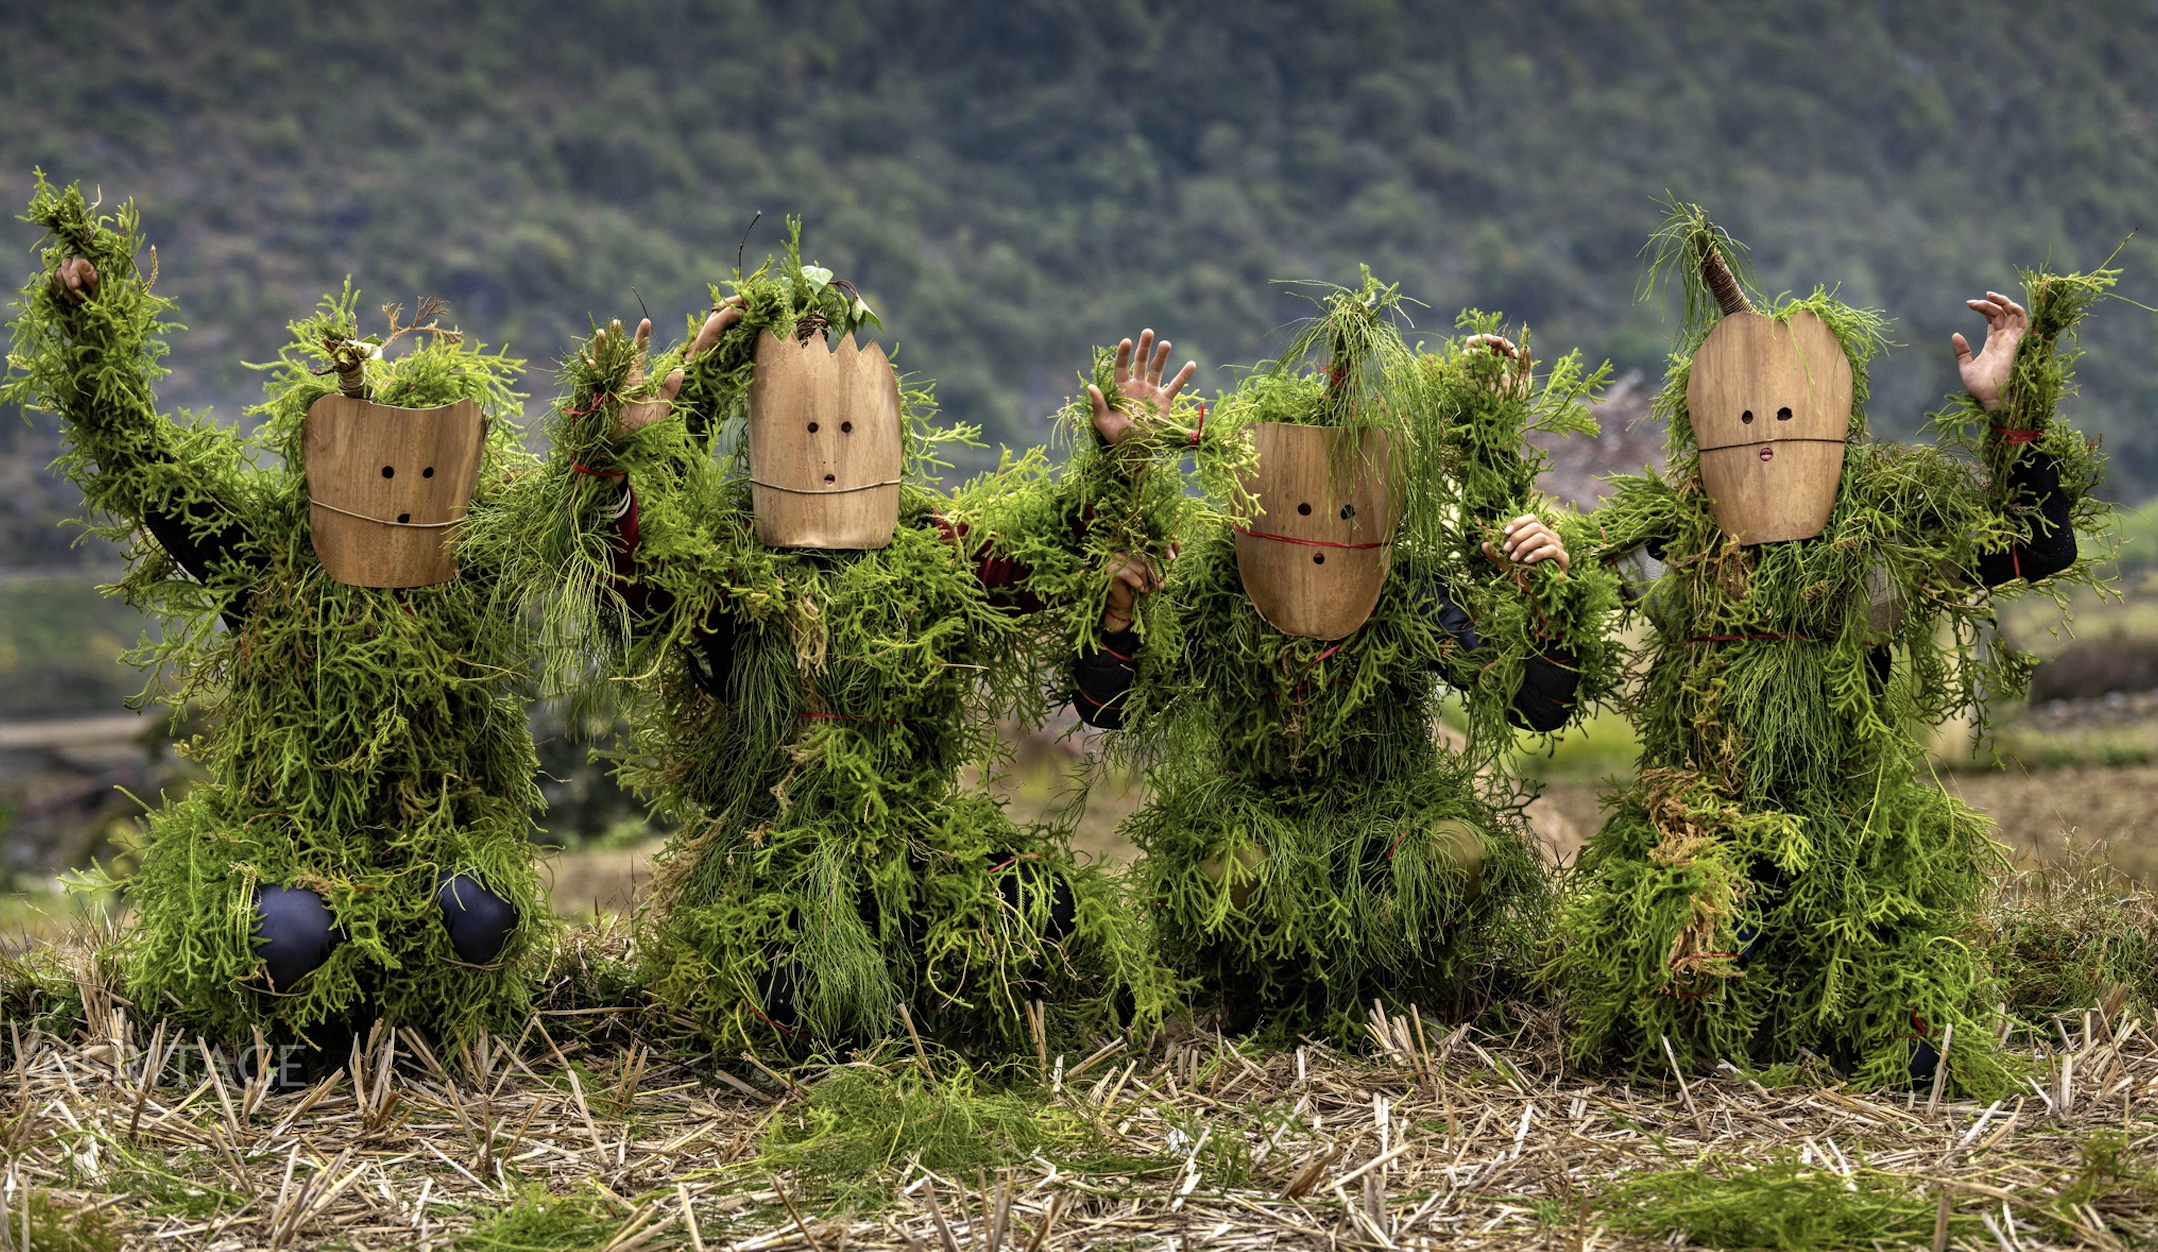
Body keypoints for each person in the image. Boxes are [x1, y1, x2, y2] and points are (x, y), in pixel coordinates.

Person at [473, 232, 1198, 1054]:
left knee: (1035, 914)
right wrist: (628, 444)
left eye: (847, 427)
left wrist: (1122, 466)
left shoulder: (938, 553)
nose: (824, 456)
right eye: (803, 427)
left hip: (909, 836)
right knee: (803, 991)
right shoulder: (732, 572)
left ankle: (922, 1005)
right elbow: (632, 560)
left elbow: (1052, 558)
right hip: (769, 853)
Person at [1554, 204, 2113, 1092]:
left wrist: (2008, 413)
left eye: (1788, 412)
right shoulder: (1682, 530)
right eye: (1745, 417)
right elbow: (1579, 562)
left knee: (1908, 1036)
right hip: (1710, 823)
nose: (1768, 437)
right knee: (1686, 965)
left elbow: (2037, 546)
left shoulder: (1878, 538)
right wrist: (1546, 559)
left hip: (1854, 827)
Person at [6, 176, 544, 1064]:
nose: (397, 501)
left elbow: (585, 525)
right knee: (289, 930)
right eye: (374, 476)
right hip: (289, 845)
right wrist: (91, 329)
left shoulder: (464, 573)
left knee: (479, 911)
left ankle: (417, 1040)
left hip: (421, 845)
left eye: (421, 477)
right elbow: (147, 466)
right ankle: (295, 1047)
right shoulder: (262, 566)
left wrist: (627, 415)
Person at [1103, 276, 1621, 1037]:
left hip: (1383, 821)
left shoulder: (1404, 590)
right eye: (1298, 505)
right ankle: (1261, 1000)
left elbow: (1531, 704)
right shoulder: (1223, 585)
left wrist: (1547, 599)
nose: (1318, 530)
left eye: (1344, 510)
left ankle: (1387, 992)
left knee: (1457, 851)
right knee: (1231, 873)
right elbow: (1115, 705)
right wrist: (1120, 604)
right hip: (1256, 820)